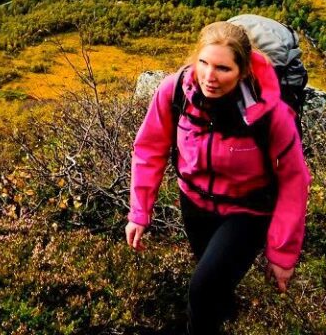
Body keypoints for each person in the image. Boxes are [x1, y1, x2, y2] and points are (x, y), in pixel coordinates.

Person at [128, 21, 313, 335]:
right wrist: (139, 211)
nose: (209, 77)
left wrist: (282, 252)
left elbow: (295, 180)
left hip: (247, 212)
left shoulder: (269, 114)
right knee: (214, 283)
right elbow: (149, 149)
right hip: (194, 204)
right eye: (203, 63)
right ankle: (226, 313)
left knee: (202, 290)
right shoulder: (174, 91)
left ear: (243, 72)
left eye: (223, 68)